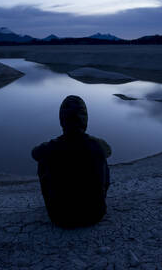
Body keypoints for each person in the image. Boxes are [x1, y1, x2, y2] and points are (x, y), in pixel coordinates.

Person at [32, 95, 111, 228]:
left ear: (62, 120)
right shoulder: (98, 144)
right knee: (101, 156)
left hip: (60, 218)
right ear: (85, 120)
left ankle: (58, 200)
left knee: (43, 160)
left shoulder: (50, 147)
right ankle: (95, 198)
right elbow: (109, 151)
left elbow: (34, 153)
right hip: (95, 215)